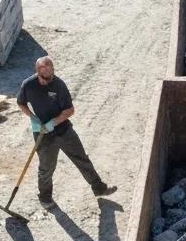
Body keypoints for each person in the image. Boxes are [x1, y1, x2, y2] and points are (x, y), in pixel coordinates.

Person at [17, 56, 117, 207]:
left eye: (51, 73)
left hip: (63, 130)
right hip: (43, 135)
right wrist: (33, 118)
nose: (48, 78)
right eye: (45, 75)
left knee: (82, 159)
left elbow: (70, 110)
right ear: (38, 72)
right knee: (46, 168)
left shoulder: (58, 85)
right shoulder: (28, 85)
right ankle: (45, 198)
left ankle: (99, 188)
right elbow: (21, 103)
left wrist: (53, 123)